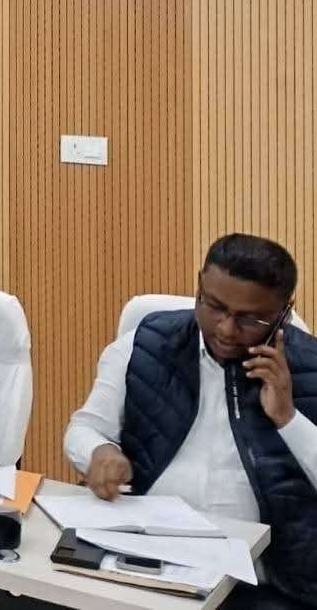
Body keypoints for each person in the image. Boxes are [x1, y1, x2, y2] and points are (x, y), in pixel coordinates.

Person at [65, 234, 317, 608]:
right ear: (199, 286)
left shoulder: (310, 368)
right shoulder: (147, 343)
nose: (226, 329)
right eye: (214, 307)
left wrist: (288, 418)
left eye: (249, 319)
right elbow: (85, 428)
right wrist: (99, 451)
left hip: (262, 583)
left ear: (284, 311)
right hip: (145, 557)